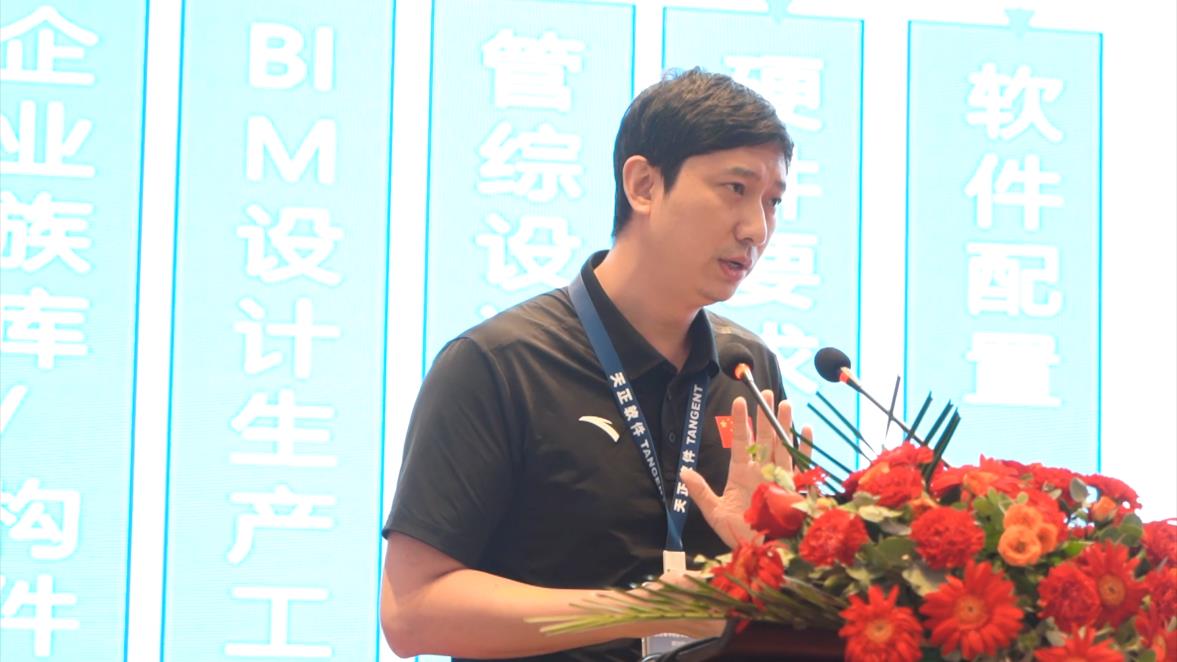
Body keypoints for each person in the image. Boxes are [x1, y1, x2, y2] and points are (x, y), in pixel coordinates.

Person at [380, 67, 810, 661]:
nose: (756, 229)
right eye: (735, 189)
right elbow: (412, 612)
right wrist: (645, 610)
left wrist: (775, 558)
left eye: (772, 202)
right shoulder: (500, 364)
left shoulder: (747, 369)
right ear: (643, 185)